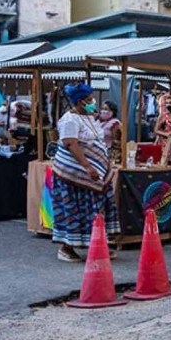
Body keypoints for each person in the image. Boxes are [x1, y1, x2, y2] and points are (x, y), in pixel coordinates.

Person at [51, 83, 119, 262]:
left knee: (95, 210)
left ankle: (95, 245)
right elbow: (71, 144)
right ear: (80, 102)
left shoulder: (91, 117)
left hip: (95, 175)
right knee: (76, 210)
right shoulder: (70, 120)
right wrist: (88, 166)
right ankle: (66, 248)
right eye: (89, 100)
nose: (93, 103)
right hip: (75, 175)